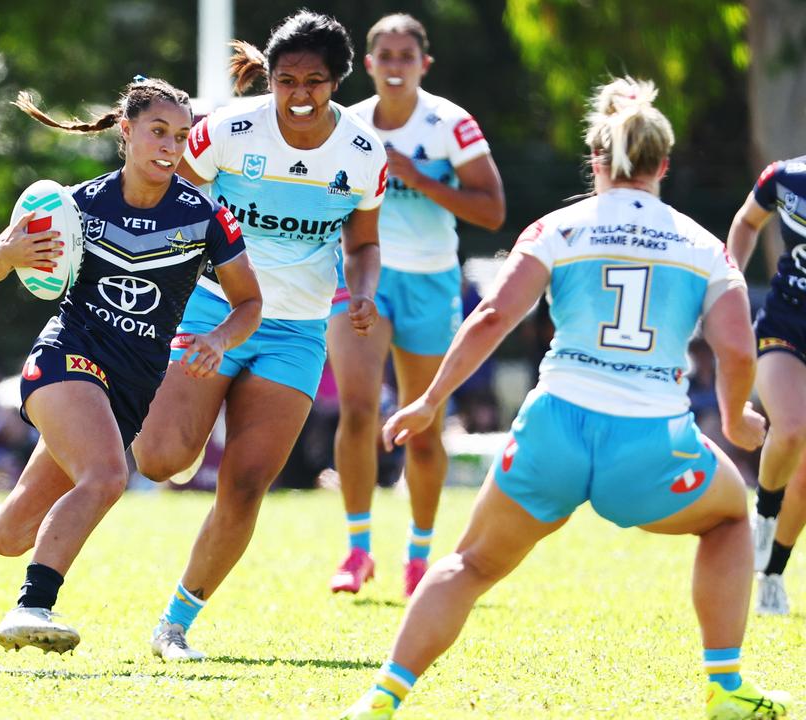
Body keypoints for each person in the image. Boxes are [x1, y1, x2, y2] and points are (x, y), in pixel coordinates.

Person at [340, 77, 790, 720]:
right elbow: (738, 351)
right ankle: (724, 688)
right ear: (663, 164)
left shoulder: (559, 226)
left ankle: (381, 698)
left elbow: (494, 315)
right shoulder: (702, 245)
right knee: (726, 520)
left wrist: (430, 400)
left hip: (552, 430)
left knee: (468, 565)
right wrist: (739, 415)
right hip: (651, 447)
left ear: (596, 162)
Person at [0, 77, 261, 654]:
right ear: (126, 132)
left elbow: (250, 305)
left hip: (128, 391)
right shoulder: (77, 205)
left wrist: (220, 339)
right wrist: (9, 253)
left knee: (10, 532)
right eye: (157, 131)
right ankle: (32, 605)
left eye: (179, 135)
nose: (170, 146)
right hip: (64, 362)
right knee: (105, 477)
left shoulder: (204, 217)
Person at [130, 11, 387, 661]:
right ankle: (180, 428)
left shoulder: (361, 153)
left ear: (338, 82)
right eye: (287, 80)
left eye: (316, 81)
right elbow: (172, 202)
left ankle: (175, 625)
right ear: (268, 79)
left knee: (245, 485)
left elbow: (363, 243)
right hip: (211, 311)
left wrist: (361, 291)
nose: (300, 95)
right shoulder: (228, 130)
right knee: (160, 460)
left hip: (296, 332)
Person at [327, 13, 506, 597]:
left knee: (423, 424)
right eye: (385, 55)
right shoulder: (347, 124)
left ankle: (419, 555)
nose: (396, 66)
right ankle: (356, 551)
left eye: (407, 56)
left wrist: (417, 178)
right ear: (370, 64)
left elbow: (492, 211)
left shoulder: (449, 123)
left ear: (423, 64)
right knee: (356, 409)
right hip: (363, 277)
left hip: (431, 282)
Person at [727, 152, 806, 616]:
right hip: (785, 322)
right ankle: (765, 510)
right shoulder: (786, 177)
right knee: (792, 429)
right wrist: (731, 279)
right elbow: (745, 223)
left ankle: (772, 572)